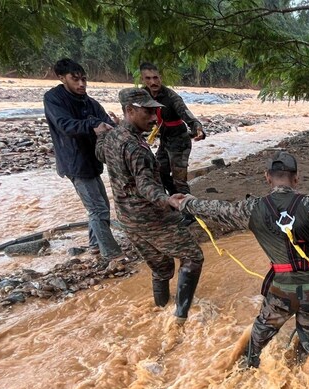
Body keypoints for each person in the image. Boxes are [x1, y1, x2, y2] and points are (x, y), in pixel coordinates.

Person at [170, 151, 309, 367]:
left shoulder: (252, 208)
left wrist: (186, 203)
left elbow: (218, 210)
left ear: (267, 177)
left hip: (281, 290)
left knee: (258, 339)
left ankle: (244, 370)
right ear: (296, 178)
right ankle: (297, 372)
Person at [96, 88, 204, 324]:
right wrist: (167, 199)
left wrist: (102, 133)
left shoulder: (113, 137)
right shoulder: (136, 148)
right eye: (148, 112)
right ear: (129, 111)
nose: (155, 118)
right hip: (151, 218)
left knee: (162, 269)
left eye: (155, 111)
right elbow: (146, 186)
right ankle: (180, 317)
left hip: (127, 219)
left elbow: (100, 154)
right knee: (193, 257)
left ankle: (160, 312)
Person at [43, 58, 122, 258]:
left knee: (101, 204)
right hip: (74, 161)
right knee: (98, 209)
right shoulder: (53, 99)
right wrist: (92, 126)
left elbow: (106, 122)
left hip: (93, 159)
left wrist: (116, 126)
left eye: (84, 79)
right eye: (75, 79)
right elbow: (65, 125)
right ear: (62, 78)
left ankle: (95, 245)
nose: (81, 84)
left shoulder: (90, 102)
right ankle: (111, 254)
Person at [139, 62, 205, 198]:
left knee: (179, 181)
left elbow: (187, 114)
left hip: (179, 141)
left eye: (155, 78)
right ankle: (175, 201)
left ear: (160, 78)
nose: (153, 82)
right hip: (164, 139)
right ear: (142, 80)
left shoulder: (171, 96)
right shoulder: (143, 94)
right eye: (148, 78)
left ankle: (189, 212)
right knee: (159, 172)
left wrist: (198, 128)